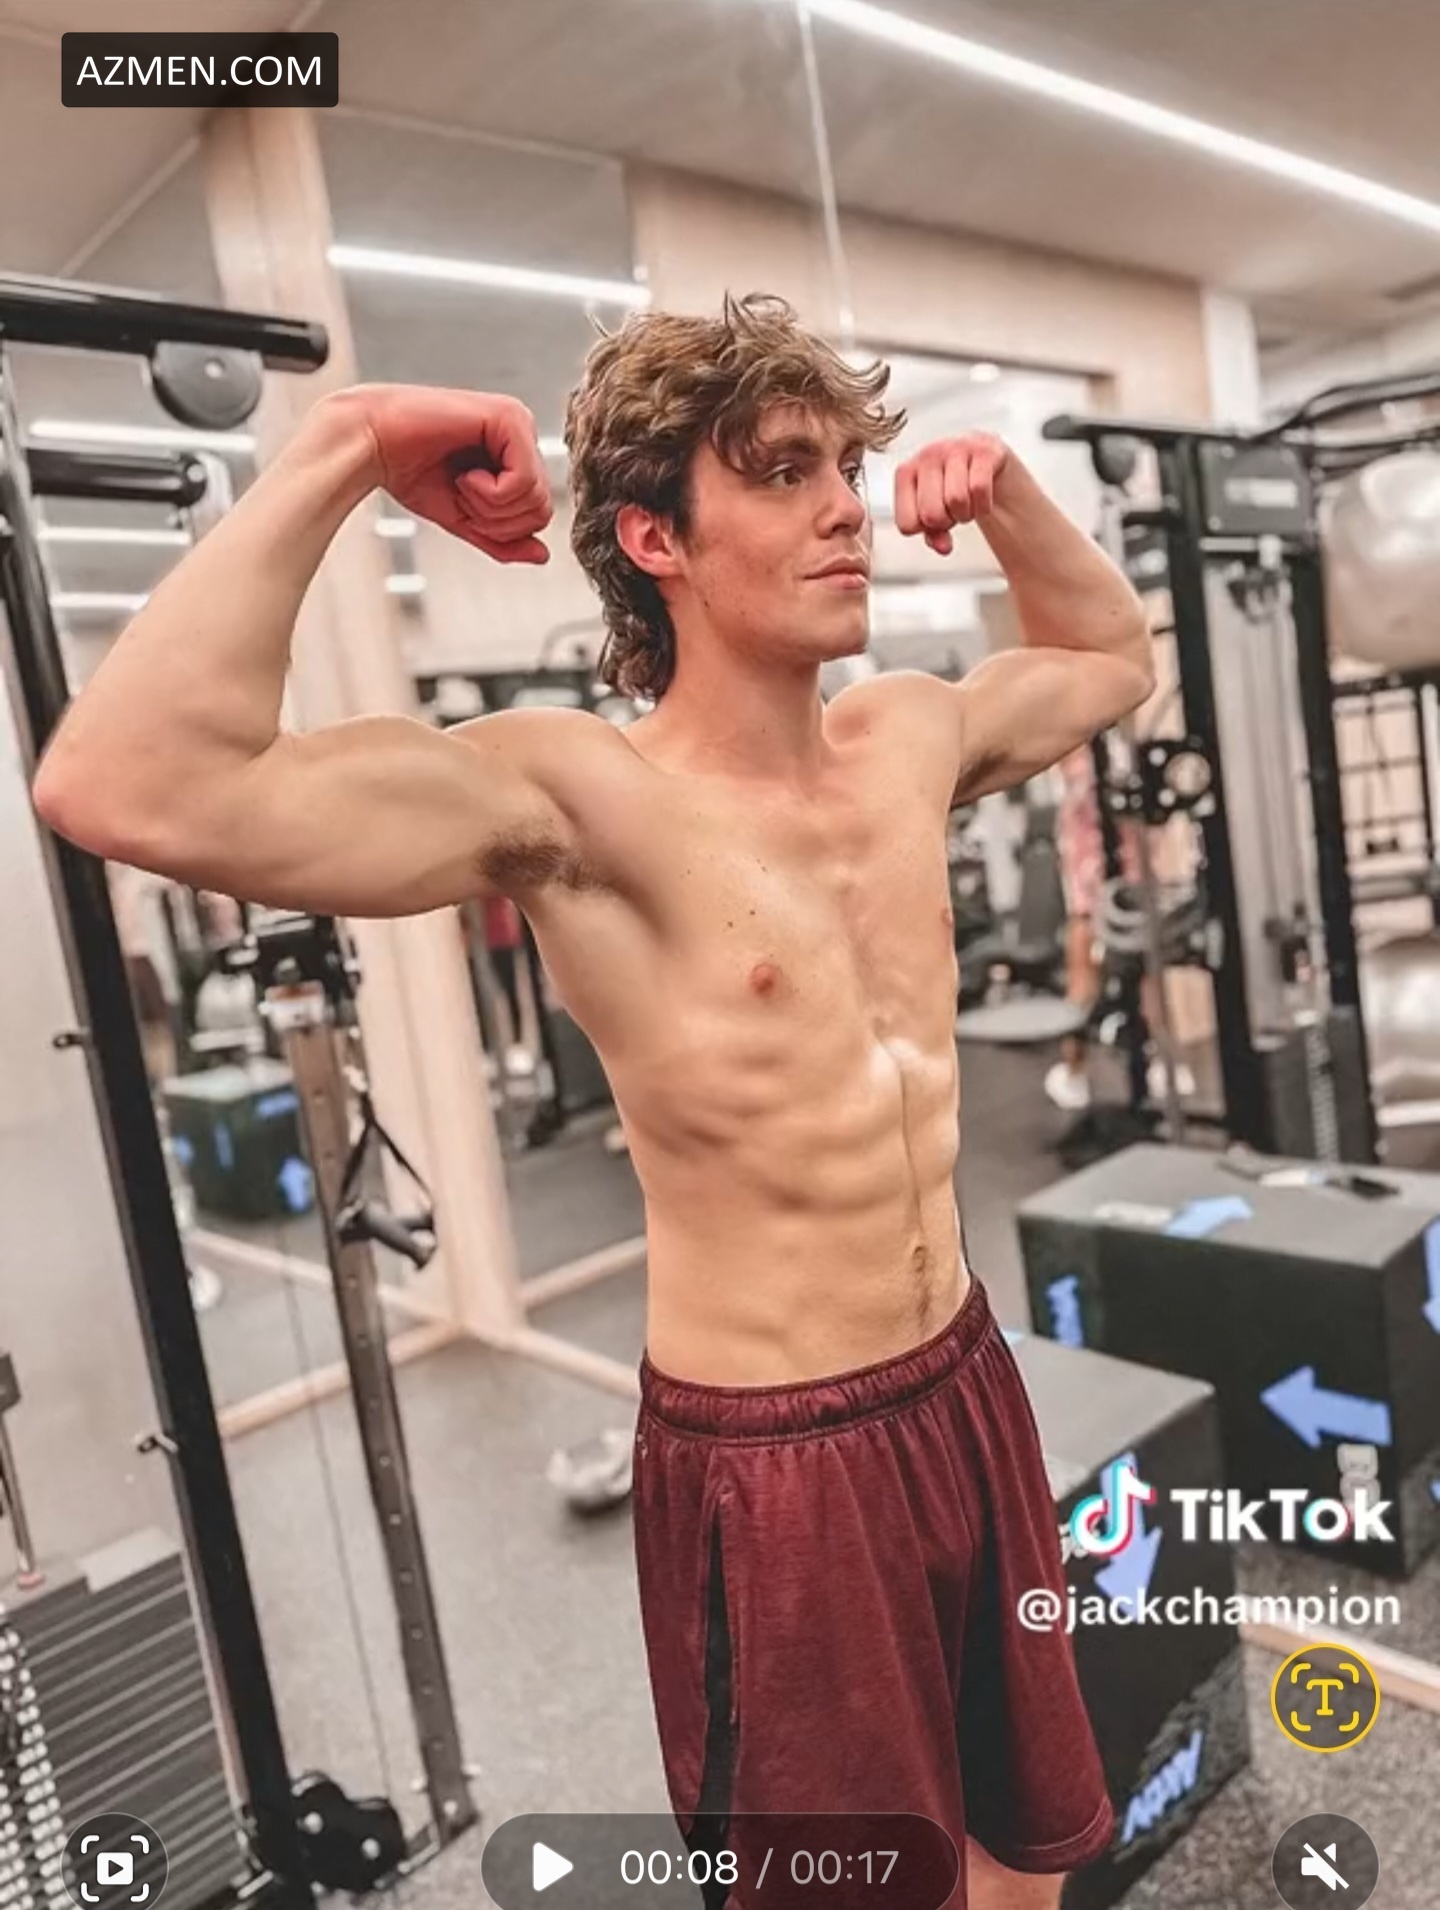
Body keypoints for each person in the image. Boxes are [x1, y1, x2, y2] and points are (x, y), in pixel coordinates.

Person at [33, 294, 1154, 1910]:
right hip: (779, 1461)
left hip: (962, 1381)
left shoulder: (909, 735)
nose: (845, 506)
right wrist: (345, 445)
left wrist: (1010, 498)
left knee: (1019, 1853)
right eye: (783, 471)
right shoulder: (580, 800)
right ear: (656, 538)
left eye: (847, 466)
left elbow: (1111, 657)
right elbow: (121, 783)